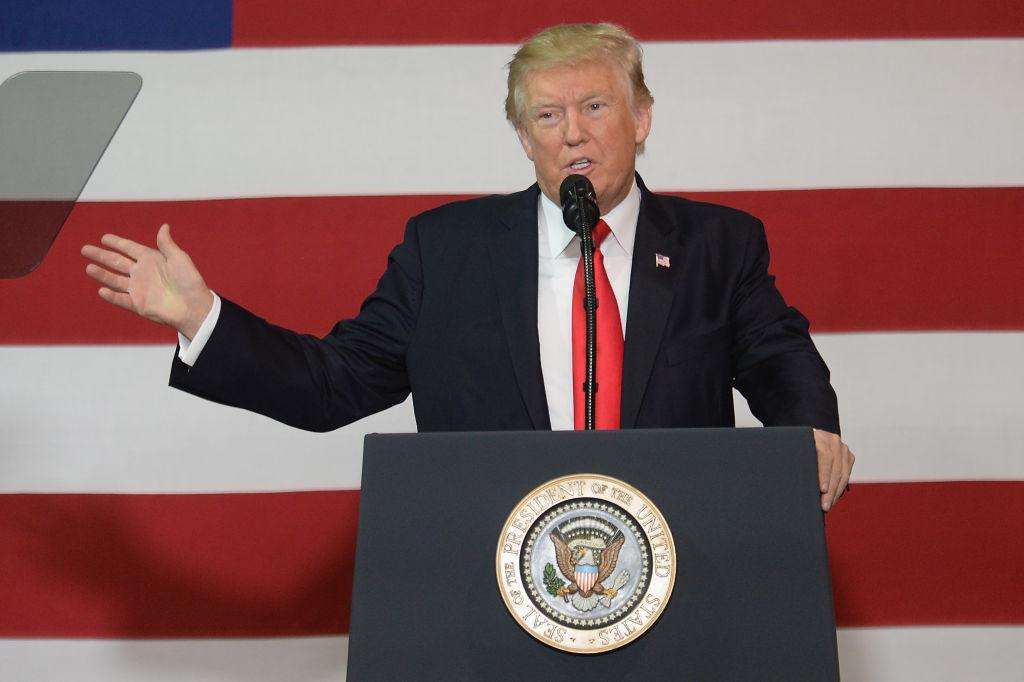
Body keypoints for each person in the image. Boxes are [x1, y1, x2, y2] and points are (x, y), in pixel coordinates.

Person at [81, 23, 854, 511]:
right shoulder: (444, 250)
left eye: (595, 106)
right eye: (546, 116)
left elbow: (780, 358)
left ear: (642, 117)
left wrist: (809, 432)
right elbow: (333, 384)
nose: (572, 133)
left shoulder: (718, 245)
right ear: (523, 137)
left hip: (679, 577)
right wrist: (201, 319)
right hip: (488, 587)